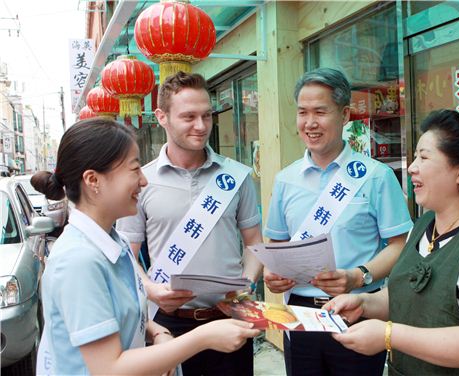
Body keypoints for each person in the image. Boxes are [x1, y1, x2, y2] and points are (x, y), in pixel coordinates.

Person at [32, 118, 259, 375]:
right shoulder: (78, 261)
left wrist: (157, 331)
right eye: (134, 169)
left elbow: (120, 315)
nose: (143, 180)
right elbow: (109, 369)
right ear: (93, 180)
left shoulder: (113, 243)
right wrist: (203, 337)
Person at [325, 109, 459, 375]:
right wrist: (364, 304)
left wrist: (389, 335)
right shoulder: (424, 225)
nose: (411, 167)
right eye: (415, 157)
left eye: (423, 157)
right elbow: (402, 296)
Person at [262, 67, 413, 375]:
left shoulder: (375, 176)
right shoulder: (285, 180)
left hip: (357, 310)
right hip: (300, 314)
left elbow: (401, 244)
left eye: (320, 111)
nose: (310, 123)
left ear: (344, 115)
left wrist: (359, 276)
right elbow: (277, 244)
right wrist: (272, 273)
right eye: (302, 112)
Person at [116, 72, 263, 375]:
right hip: (168, 323)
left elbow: (254, 243)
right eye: (189, 116)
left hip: (229, 318)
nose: (201, 126)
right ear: (162, 116)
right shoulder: (142, 180)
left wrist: (247, 285)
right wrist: (149, 289)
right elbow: (127, 254)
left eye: (207, 116)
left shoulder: (235, 177)